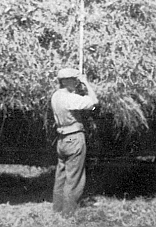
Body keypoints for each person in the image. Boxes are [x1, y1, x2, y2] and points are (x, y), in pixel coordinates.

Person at [51, 67, 98, 217]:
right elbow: (94, 102)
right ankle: (68, 214)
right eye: (74, 79)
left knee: (61, 176)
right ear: (65, 81)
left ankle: (57, 209)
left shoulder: (56, 96)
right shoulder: (70, 99)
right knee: (74, 177)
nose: (76, 82)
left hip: (62, 139)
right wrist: (87, 84)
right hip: (73, 137)